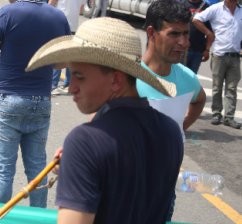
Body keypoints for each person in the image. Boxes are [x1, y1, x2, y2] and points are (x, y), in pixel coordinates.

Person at [27, 17, 182, 224]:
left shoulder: (85, 141)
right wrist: (76, 166)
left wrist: (78, 160)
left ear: (116, 80)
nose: (71, 87)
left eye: (80, 77)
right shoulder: (171, 130)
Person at [0, 0, 71, 208]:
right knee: (38, 168)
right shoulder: (57, 16)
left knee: (3, 170)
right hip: (40, 101)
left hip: (8, 100)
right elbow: (64, 60)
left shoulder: (8, 13)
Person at [139, 0, 206, 221]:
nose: (184, 42)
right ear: (152, 32)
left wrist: (179, 128)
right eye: (174, 34)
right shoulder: (126, 78)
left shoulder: (187, 78)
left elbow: (199, 100)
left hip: (164, 192)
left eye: (186, 34)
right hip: (125, 188)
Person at [193, 0, 242, 130]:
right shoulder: (216, 8)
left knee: (232, 87)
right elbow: (196, 19)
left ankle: (229, 117)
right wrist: (209, 33)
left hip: (235, 55)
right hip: (219, 54)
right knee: (217, 86)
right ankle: (216, 113)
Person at [48, 0, 87, 94]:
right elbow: (81, 10)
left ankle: (53, 85)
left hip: (60, 22)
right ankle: (68, 84)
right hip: (74, 25)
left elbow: (51, 3)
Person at [183, 0, 211, 73]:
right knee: (179, 76)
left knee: (192, 77)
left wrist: (207, 49)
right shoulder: (181, 5)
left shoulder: (207, 8)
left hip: (198, 50)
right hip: (182, 48)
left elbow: (210, 32)